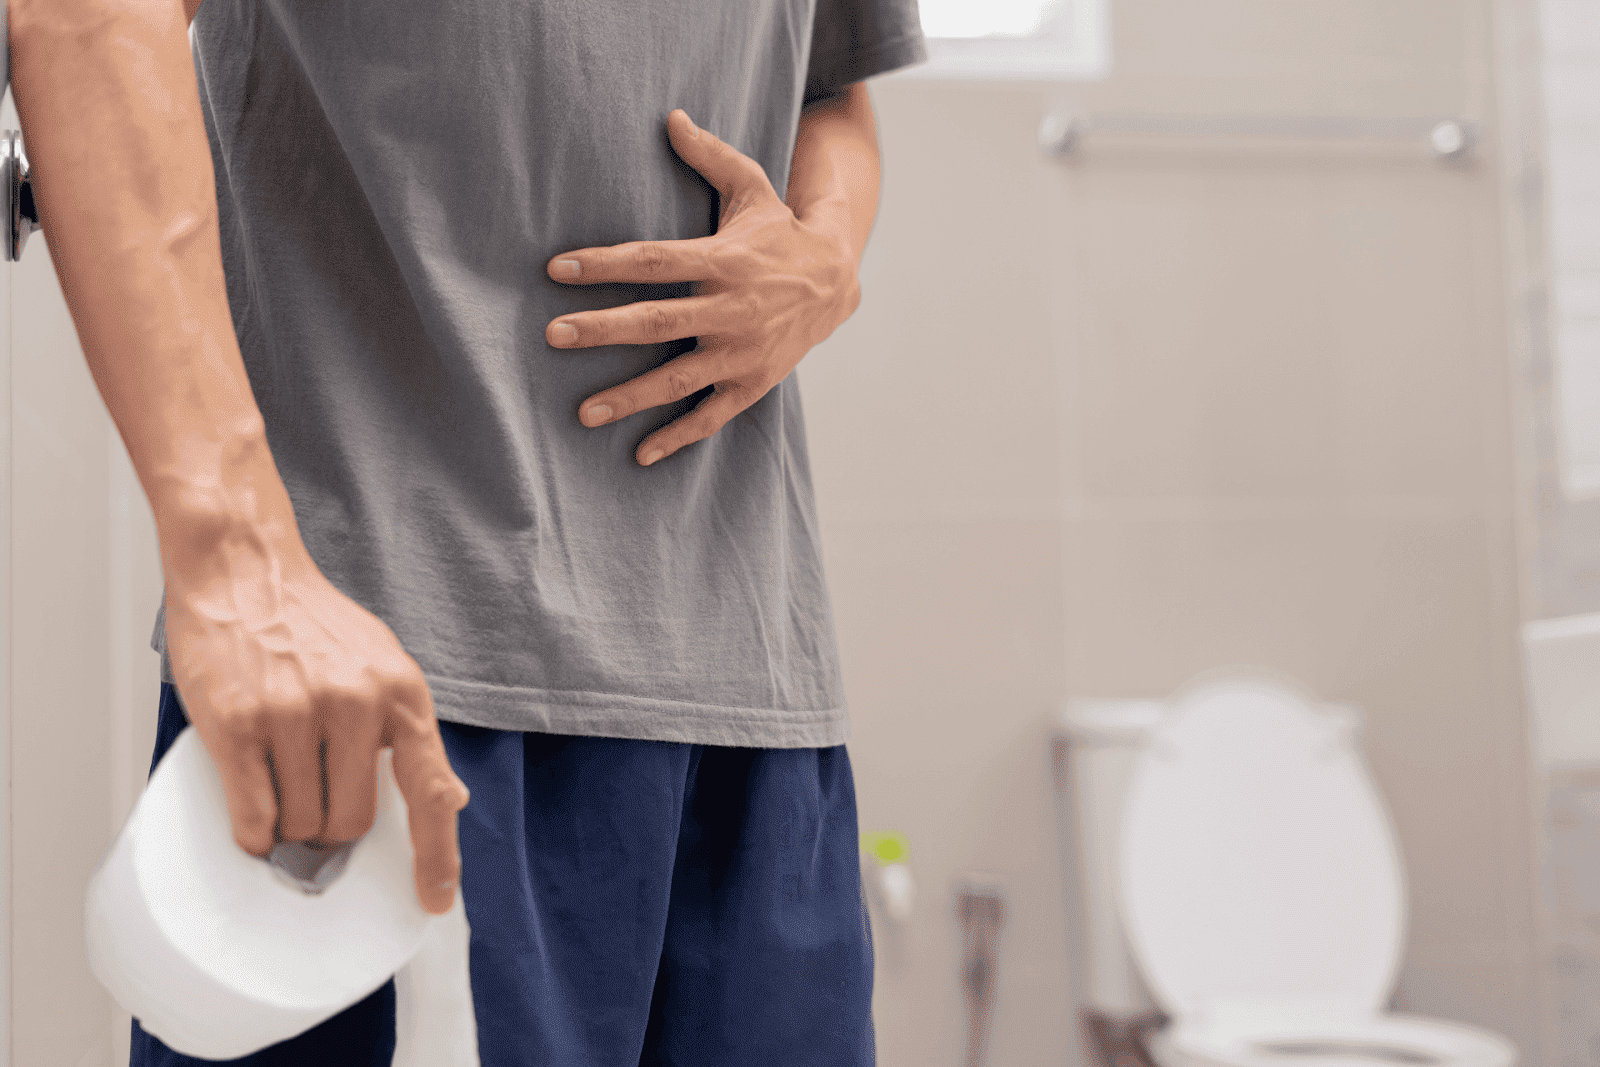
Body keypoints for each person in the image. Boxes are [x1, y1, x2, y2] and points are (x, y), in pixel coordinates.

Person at [9, 0, 927, 1061]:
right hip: (387, 697)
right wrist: (234, 561)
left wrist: (825, 254)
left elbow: (834, 85)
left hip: (755, 705)